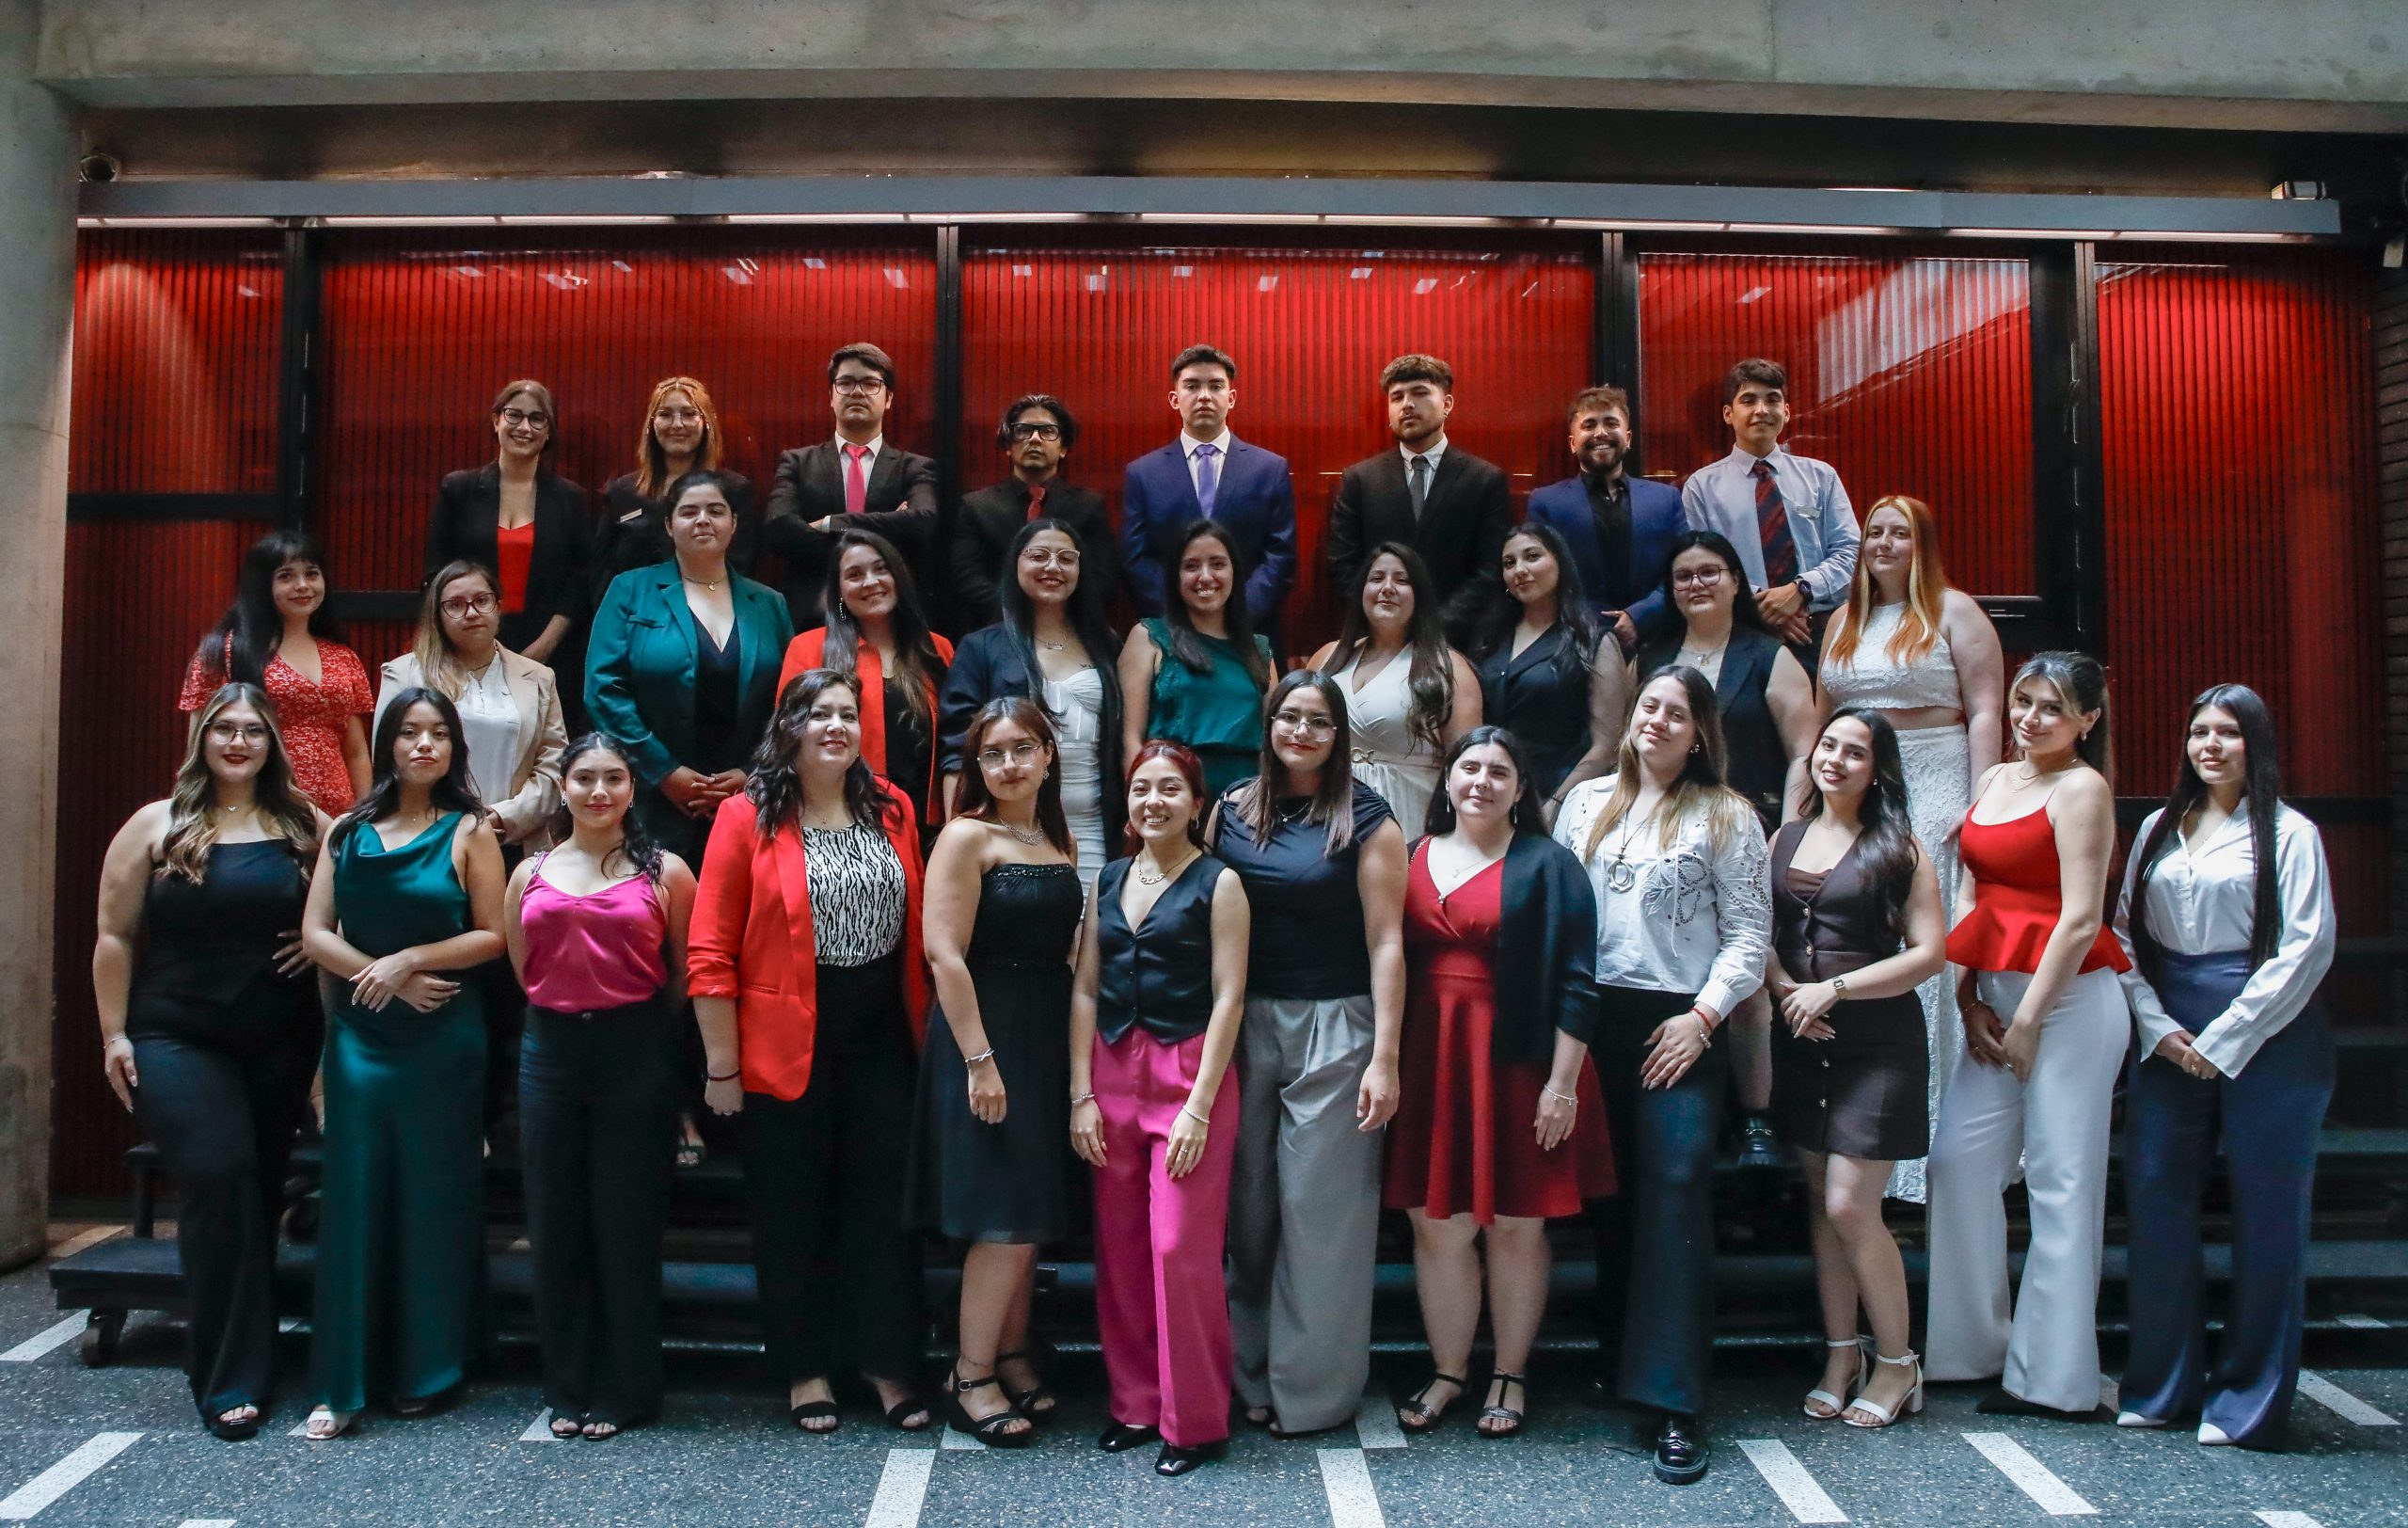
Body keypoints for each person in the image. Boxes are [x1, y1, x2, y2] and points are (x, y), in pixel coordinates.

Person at [687, 670, 933, 1436]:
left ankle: (887, 1363)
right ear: (788, 726)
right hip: (782, 1038)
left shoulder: (892, 806)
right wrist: (722, 1066)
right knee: (791, 1209)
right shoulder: (746, 813)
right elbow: (708, 951)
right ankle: (806, 1368)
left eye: (847, 714)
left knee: (882, 1209)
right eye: (818, 713)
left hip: (881, 1033)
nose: (835, 726)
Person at [1555, 667, 1771, 1485]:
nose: (1658, 721)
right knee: (1612, 1199)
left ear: (1701, 733)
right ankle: (1621, 1364)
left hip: (1679, 1023)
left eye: (1677, 713)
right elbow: (1561, 913)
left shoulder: (1727, 814)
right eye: (1649, 706)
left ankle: (1677, 1402)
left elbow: (1749, 936)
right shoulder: (1585, 803)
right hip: (1590, 1019)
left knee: (1675, 1191)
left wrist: (1704, 1017)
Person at [90, 683, 324, 1440]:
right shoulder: (155, 824)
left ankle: (254, 1353)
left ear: (272, 742)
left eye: (253, 730)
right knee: (218, 1178)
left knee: (257, 1193)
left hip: (279, 1038)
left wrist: (320, 938)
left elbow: (357, 897)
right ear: (202, 737)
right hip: (174, 1037)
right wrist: (114, 1036)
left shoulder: (303, 823)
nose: (238, 741)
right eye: (224, 728)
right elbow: (114, 936)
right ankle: (227, 1378)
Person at [2113, 685, 2336, 1450]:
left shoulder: (2292, 833)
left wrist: (2227, 1038)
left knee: (2267, 1216)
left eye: (2228, 733)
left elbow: (2306, 946)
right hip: (2168, 1030)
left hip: (2272, 1033)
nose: (2210, 745)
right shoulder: (2156, 828)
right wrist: (2158, 1025)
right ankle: (2162, 1386)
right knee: (2156, 1202)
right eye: (2198, 731)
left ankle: (2249, 1399)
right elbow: (2124, 936)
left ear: (2256, 744)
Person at [1385, 727, 1613, 1441]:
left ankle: (1510, 1373)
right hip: (1430, 1060)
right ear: (1448, 779)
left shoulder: (1550, 864)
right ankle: (1450, 1371)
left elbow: (1579, 980)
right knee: (1436, 1227)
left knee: (1516, 1225)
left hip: (1522, 1065)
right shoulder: (1410, 854)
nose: (1481, 781)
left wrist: (1563, 1084)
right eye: (1469, 768)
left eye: (1499, 772)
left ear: (1520, 789)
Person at [299, 689, 509, 1440]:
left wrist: (412, 960)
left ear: (454, 748)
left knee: (431, 1200)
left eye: (439, 734)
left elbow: (494, 935)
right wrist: (382, 975)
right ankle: (342, 1380)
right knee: (354, 1199)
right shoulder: (347, 830)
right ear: (387, 742)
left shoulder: (471, 830)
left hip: (444, 1038)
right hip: (361, 1038)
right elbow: (315, 932)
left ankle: (430, 1368)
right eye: (410, 732)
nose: (424, 745)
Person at [1925, 652, 2128, 1419]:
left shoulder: (2083, 788)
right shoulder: (1994, 780)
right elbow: (1970, 894)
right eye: (2023, 701)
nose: (2030, 718)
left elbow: (2080, 919)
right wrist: (1968, 995)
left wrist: (2031, 1023)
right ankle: (1974, 1348)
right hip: (1996, 999)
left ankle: (2054, 1380)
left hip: (2070, 1007)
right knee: (1956, 1164)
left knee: (2060, 1182)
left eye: (2052, 707)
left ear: (2087, 720)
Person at [1206, 671, 1407, 1438]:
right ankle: (1247, 1375)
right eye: (1288, 717)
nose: (1300, 732)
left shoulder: (1368, 818)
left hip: (1336, 1025)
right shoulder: (1229, 809)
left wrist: (1385, 1055)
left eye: (1318, 721)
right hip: (1240, 1025)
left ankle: (1310, 1392)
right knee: (1248, 1208)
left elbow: (1387, 944)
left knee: (1319, 1213)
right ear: (1268, 725)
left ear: (1338, 734)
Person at [503, 735, 697, 1440]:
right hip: (549, 1052)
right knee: (555, 1223)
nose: (598, 791)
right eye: (584, 778)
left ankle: (628, 1388)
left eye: (613, 778)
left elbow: (682, 973)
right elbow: (522, 967)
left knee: (626, 1224)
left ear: (631, 788)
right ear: (563, 786)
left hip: (636, 1051)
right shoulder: (529, 873)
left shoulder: (666, 871)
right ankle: (567, 1387)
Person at [1069, 742, 1250, 1478]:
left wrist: (1199, 1107)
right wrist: (1081, 1094)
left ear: (1196, 804)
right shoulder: (1108, 879)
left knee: (1180, 1249)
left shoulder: (1220, 882)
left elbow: (1230, 997)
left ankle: (1195, 1420)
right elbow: (1086, 988)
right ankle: (1136, 1404)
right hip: (1112, 1069)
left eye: (1170, 789)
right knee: (1120, 1250)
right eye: (1142, 788)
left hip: (1189, 1073)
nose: (1154, 801)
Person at [908, 698, 1085, 1447]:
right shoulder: (965, 836)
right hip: (982, 1036)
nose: (1009, 764)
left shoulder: (1054, 837)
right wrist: (980, 1062)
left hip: (1043, 1035)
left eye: (1022, 749)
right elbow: (943, 954)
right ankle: (970, 1374)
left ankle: (1010, 1354)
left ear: (1048, 756)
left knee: (1029, 1213)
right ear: (977, 766)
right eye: (993, 754)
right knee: (1002, 1217)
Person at [1818, 494, 2004, 1203]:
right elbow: (1823, 717)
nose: (1884, 544)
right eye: (1875, 532)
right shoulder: (1843, 620)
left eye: (1899, 533)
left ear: (1922, 544)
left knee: (1927, 945)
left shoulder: (1955, 611)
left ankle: (1937, 1148)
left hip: (1935, 778)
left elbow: (1985, 707)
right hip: (1860, 785)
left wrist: (1979, 802)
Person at [1767, 709, 1947, 1430]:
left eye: (1855, 752)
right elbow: (1763, 935)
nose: (1835, 760)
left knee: (1850, 1205)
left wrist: (1834, 988)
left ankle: (1899, 1361)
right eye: (1829, 746)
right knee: (1821, 1205)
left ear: (1877, 771)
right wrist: (1788, 991)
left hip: (1878, 1044)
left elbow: (1929, 953)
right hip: (1800, 1036)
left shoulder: (1899, 847)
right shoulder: (1784, 838)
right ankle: (1842, 1355)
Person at [1636, 531, 1818, 1167]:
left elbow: (1803, 752)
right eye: (1683, 575)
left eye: (1710, 571)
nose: (1697, 583)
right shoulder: (1653, 658)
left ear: (1737, 581)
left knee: (1750, 969)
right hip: (1661, 832)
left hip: (1751, 829)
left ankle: (1756, 1116)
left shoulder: (1768, 655)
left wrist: (1787, 836)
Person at [586, 469, 795, 868]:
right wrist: (664, 771)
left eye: (715, 511)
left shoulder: (770, 603)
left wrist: (752, 772)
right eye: (688, 512)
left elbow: (791, 701)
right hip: (650, 799)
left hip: (750, 800)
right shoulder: (629, 590)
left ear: (734, 523)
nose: (703, 520)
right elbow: (603, 689)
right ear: (669, 525)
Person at [939, 519, 1125, 888]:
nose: (1053, 567)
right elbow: (957, 753)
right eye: (1038, 556)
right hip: (1011, 832)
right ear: (1015, 564)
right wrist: (957, 838)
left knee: (1095, 924)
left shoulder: (1107, 644)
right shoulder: (981, 648)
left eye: (1066, 558)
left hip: (1095, 829)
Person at [375, 560, 568, 851]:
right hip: (427, 838)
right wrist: (450, 824)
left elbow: (554, 767)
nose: (471, 613)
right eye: (455, 605)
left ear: (498, 607)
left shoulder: (539, 677)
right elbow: (387, 761)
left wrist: (502, 817)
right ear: (437, 615)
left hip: (515, 838)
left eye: (482, 601)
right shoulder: (403, 675)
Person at [424, 382, 593, 715]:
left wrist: (543, 647)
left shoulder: (571, 499)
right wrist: (469, 640)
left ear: (548, 432)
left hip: (548, 651)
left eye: (537, 419)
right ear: (496, 420)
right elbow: (437, 572)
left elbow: (579, 583)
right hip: (467, 642)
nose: (524, 427)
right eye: (514, 415)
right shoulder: (459, 490)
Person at [181, 530, 373, 814]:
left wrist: (365, 816)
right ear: (262, 585)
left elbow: (356, 753)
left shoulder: (343, 657)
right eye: (286, 576)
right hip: (258, 812)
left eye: (312, 574)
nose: (302, 585)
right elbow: (199, 746)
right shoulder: (225, 653)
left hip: (338, 818)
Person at [778, 529, 954, 836]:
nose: (870, 582)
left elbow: (957, 740)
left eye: (881, 569)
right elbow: (789, 741)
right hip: (839, 821)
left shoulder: (937, 649)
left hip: (928, 827)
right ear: (839, 590)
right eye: (855, 575)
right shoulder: (808, 648)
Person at [1678, 358, 1860, 657]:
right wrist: (1762, 606)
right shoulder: (1701, 488)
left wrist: (1801, 590)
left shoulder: (1821, 477)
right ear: (1728, 414)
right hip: (1742, 637)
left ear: (1786, 412)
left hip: (1821, 635)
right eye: (1748, 400)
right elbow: (1700, 566)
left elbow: (1850, 551)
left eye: (1772, 400)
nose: (1761, 410)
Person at [1324, 355, 1513, 641]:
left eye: (1420, 393)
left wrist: (1436, 626)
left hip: (1458, 640)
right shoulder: (1360, 480)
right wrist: (1386, 623)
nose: (1407, 404)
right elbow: (1343, 566)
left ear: (1447, 404)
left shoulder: (1484, 479)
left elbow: (1491, 569)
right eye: (1397, 397)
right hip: (1379, 638)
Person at [1120, 345, 1297, 638]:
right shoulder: (1143, 473)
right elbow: (1135, 558)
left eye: (1215, 386)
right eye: (1192, 386)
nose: (1204, 395)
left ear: (1231, 398)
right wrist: (1181, 616)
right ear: (1174, 399)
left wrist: (1238, 615)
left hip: (1249, 631)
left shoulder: (1269, 469)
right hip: (1173, 633)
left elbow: (1280, 556)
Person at [1307, 544, 1481, 841]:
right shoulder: (1327, 657)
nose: (1387, 588)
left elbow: (1467, 765)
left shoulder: (1449, 667)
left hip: (1411, 816)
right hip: (1328, 813)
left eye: (1402, 580)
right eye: (1376, 579)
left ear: (1419, 595)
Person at [762, 342, 939, 629]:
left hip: (892, 619)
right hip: (813, 616)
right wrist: (888, 528)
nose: (857, 392)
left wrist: (830, 523)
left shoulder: (915, 467)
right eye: (845, 383)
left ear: (889, 398)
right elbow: (779, 529)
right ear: (831, 397)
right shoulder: (797, 462)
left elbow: (921, 522)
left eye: (870, 383)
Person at [1468, 521, 1632, 817]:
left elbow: (1607, 746)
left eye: (1532, 557)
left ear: (1560, 562)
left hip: (1561, 796)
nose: (1519, 570)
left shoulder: (1593, 641)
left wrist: (1556, 804)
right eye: (1509, 563)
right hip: (1490, 793)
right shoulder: (1490, 639)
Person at [1119, 519, 1275, 799]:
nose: (1205, 577)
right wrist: (1144, 801)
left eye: (1218, 564)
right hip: (1171, 797)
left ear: (1234, 572)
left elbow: (1272, 744)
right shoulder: (1148, 637)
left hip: (1244, 802)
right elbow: (1130, 739)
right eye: (1191, 566)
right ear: (1175, 577)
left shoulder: (1259, 650)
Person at [1525, 385, 1684, 652]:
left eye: (1611, 423)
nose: (1600, 433)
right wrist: (1596, 624)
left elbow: (1684, 569)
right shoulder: (1545, 503)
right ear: (1572, 443)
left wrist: (1640, 616)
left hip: (1658, 641)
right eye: (1589, 425)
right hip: (1574, 644)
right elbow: (1539, 579)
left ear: (1628, 438)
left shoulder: (1666, 499)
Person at [951, 394, 1117, 630]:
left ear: (1064, 448)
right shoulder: (977, 506)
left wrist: (1054, 614)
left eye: (1047, 431)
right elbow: (967, 577)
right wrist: (1018, 611)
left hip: (1070, 629)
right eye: (1023, 431)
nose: (1035, 439)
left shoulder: (1088, 506)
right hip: (995, 627)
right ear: (1008, 447)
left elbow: (1102, 578)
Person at [594, 376, 761, 595]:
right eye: (665, 415)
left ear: (707, 423)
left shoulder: (735, 491)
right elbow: (601, 575)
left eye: (689, 414)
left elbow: (741, 572)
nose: (677, 424)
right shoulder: (623, 493)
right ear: (651, 424)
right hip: (633, 612)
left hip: (709, 610)